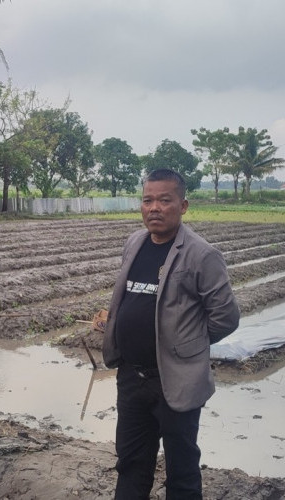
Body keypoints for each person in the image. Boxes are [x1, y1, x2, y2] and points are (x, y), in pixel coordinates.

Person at [102, 169, 240, 499]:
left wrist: (183, 346)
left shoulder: (201, 255)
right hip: (132, 378)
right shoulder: (135, 243)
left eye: (165, 200)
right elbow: (131, 295)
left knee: (182, 470)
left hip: (176, 380)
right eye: (148, 200)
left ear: (183, 205)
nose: (155, 208)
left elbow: (225, 318)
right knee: (131, 464)